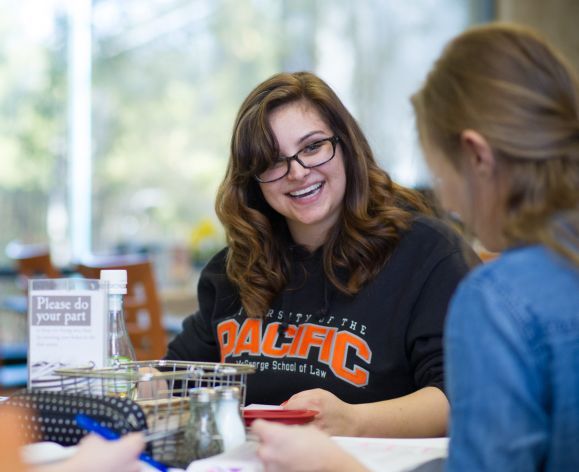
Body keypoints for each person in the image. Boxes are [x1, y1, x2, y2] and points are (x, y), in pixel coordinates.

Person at [251, 23, 579, 471]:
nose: (446, 199)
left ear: (477, 156)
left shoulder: (497, 297)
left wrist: (336, 466)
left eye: (441, 173)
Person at [165, 71, 476, 437]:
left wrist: (351, 421)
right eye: (272, 160)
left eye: (312, 147)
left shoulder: (426, 253)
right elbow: (174, 380)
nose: (296, 172)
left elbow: (463, 398)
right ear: (253, 177)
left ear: (345, 145)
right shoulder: (235, 268)